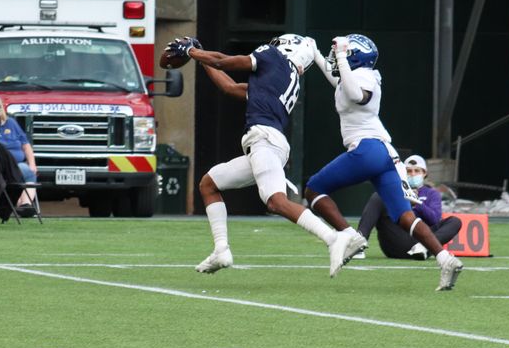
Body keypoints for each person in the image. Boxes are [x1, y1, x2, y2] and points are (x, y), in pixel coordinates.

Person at [169, 34, 365, 276]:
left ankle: (333, 237)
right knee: (209, 184)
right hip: (267, 144)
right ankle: (221, 249)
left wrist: (192, 52)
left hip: (264, 140)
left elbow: (223, 61)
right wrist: (201, 58)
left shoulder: (273, 57)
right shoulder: (286, 77)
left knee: (276, 201)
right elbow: (230, 87)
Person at [303, 34, 464, 291]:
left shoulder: (365, 76)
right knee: (404, 216)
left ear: (355, 56)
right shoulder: (353, 75)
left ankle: (350, 236)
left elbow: (357, 95)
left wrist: (342, 57)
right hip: (382, 154)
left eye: (343, 54)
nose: (337, 58)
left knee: (313, 189)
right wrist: (316, 55)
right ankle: (445, 259)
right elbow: (339, 80)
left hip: (368, 150)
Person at [356, 154, 462, 260]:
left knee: (455, 221)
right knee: (379, 196)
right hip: (397, 239)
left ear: (424, 173)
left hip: (422, 241)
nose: (413, 174)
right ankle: (358, 244)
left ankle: (425, 248)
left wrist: (417, 203)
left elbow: (434, 220)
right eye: (409, 171)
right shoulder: (395, 191)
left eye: (417, 171)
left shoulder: (432, 193)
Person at [0, 95, 39, 216]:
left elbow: (25, 144)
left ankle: (25, 206)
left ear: (1, 108)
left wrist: (32, 163)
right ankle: (19, 204)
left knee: (29, 170)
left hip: (17, 164)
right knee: (22, 170)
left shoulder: (11, 123)